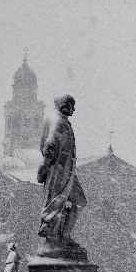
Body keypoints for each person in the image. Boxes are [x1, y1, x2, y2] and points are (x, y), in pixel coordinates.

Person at [37, 94, 87, 253]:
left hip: (68, 171)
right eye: (71, 105)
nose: (74, 109)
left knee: (79, 201)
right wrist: (45, 166)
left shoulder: (62, 122)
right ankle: (52, 238)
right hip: (59, 171)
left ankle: (64, 235)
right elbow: (50, 145)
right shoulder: (59, 123)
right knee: (56, 202)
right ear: (64, 106)